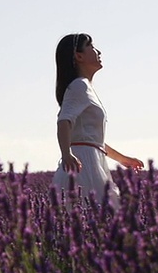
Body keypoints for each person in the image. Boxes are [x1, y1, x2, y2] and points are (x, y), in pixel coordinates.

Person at [52, 33, 144, 208]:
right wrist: (66, 154)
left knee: (97, 218)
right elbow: (64, 121)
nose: (98, 51)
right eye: (91, 46)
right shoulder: (79, 86)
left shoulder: (85, 87)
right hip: (83, 164)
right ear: (79, 56)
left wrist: (123, 159)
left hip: (92, 159)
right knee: (97, 215)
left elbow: (93, 140)